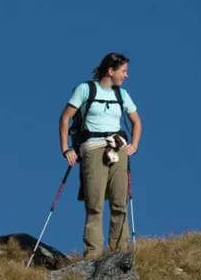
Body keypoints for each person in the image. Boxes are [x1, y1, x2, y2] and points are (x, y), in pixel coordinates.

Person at [60, 53, 141, 256]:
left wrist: (134, 145)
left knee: (120, 202)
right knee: (94, 205)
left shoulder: (122, 95)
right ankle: (93, 256)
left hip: (118, 149)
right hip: (93, 149)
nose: (126, 75)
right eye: (124, 71)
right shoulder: (85, 89)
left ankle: (118, 254)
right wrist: (66, 149)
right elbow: (65, 118)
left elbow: (137, 122)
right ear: (110, 71)